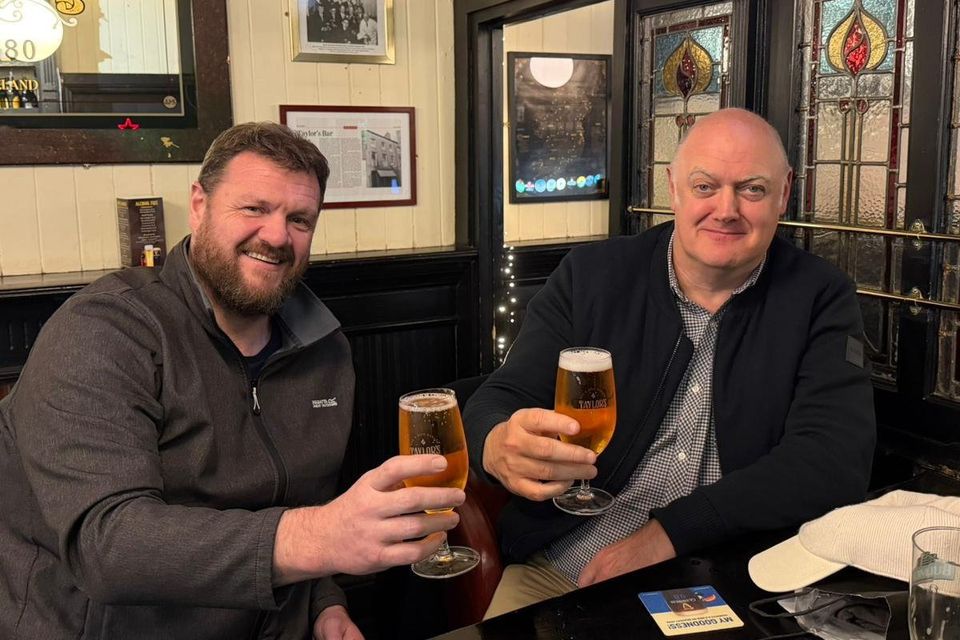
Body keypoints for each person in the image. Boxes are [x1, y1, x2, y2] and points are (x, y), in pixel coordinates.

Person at [0, 122, 464, 640]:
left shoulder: (324, 346)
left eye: (300, 219)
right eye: (254, 208)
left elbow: (309, 510)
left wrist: (324, 605)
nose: (277, 236)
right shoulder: (105, 330)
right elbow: (108, 545)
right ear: (199, 204)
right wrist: (315, 539)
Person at [463, 108, 876, 618]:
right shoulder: (591, 276)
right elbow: (500, 397)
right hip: (567, 567)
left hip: (738, 577)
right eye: (705, 186)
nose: (726, 209)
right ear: (673, 187)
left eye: (752, 189)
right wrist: (495, 443)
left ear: (784, 192)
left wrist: (670, 533)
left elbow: (833, 460)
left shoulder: (821, 296)